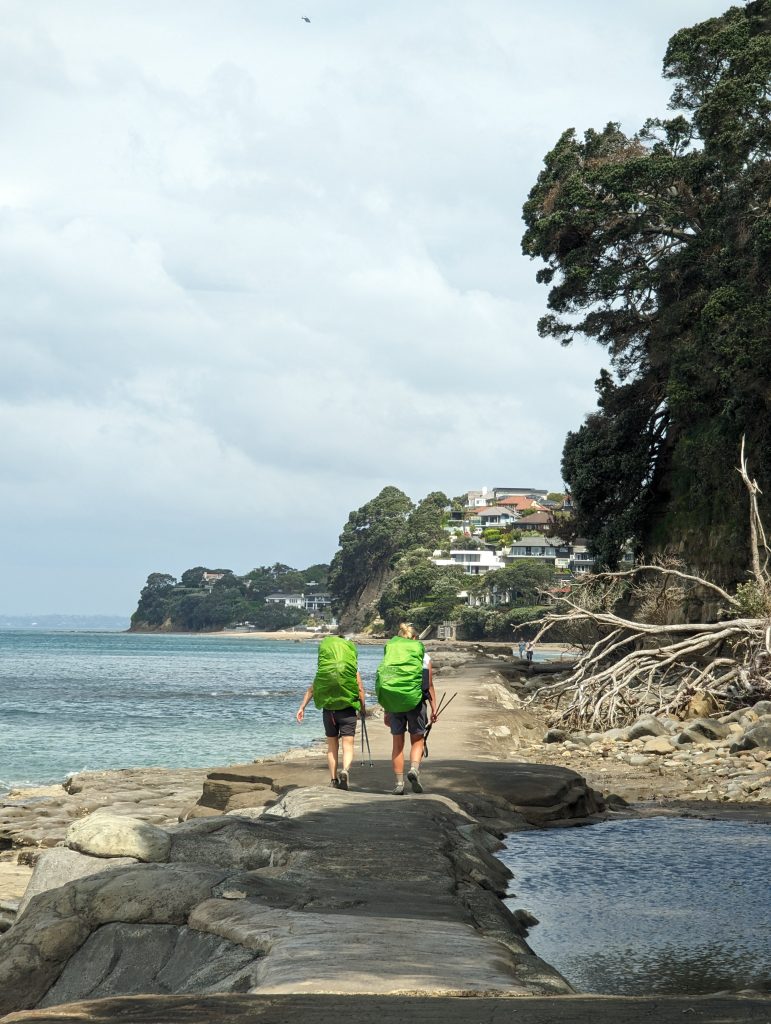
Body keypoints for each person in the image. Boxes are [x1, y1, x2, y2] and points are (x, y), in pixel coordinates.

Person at [296, 634, 366, 790]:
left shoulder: (325, 669)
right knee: (348, 744)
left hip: (329, 712)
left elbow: (312, 689)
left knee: (332, 746)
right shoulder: (351, 669)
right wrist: (362, 708)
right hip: (347, 710)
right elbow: (360, 690)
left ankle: (334, 780)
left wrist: (302, 707)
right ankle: (346, 770)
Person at [376, 623, 437, 795]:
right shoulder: (424, 657)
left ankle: (399, 784)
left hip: (394, 703)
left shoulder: (392, 655)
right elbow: (429, 684)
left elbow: (386, 682)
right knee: (417, 740)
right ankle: (414, 769)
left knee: (397, 745)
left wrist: (387, 709)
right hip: (416, 703)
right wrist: (434, 708)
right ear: (415, 639)